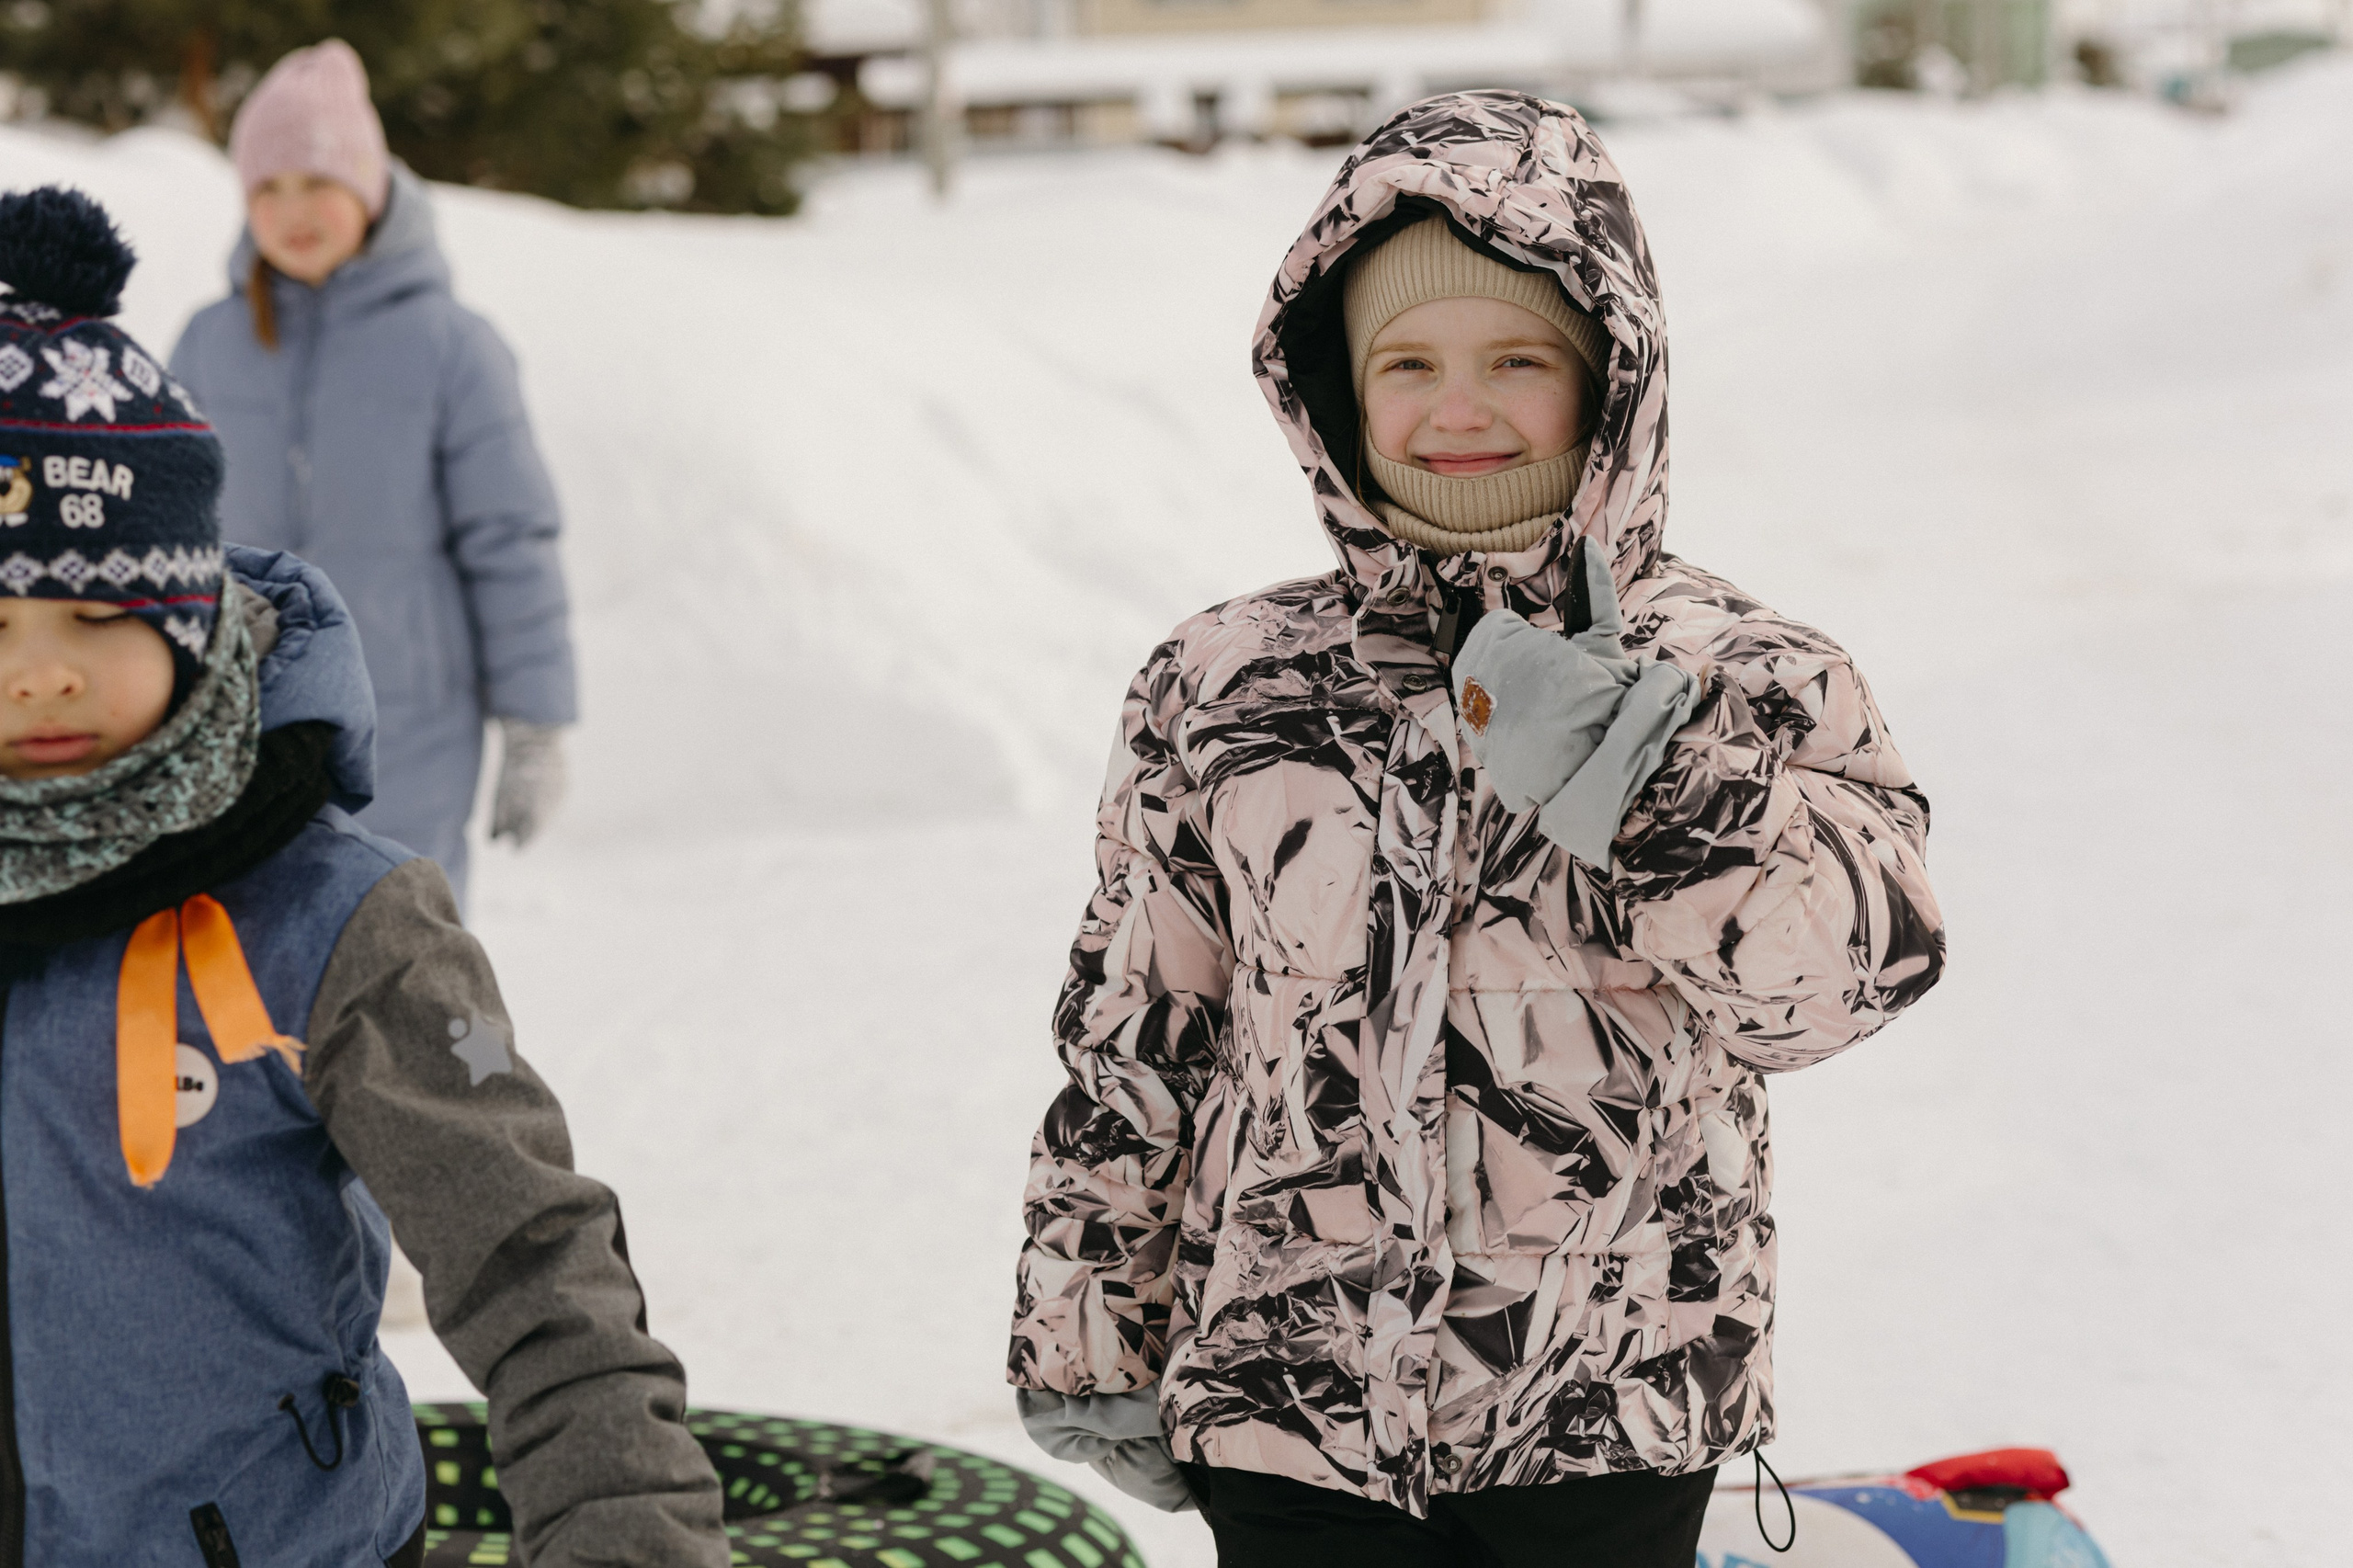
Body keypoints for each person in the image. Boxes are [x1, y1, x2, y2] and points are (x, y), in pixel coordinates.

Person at [1007, 92, 1948, 1566]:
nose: (1458, 409)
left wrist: (1656, 776)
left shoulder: (1745, 673)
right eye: (1409, 362)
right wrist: (1089, 1317)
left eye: (1517, 359)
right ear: (1333, 389)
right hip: (1289, 1397)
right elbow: (1141, 1019)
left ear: (1610, 378)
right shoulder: (1229, 679)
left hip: (1605, 1402)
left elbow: (1839, 985)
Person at [0, 188, 722, 1567]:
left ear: (187, 608)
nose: (40, 665)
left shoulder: (333, 921)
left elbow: (531, 1251)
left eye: (97, 612)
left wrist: (624, 1527)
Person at [171, 39, 574, 910]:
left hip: (411, 724)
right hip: (245, 713)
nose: (294, 210)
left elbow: (509, 539)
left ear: (372, 185)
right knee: (253, 972)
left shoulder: (451, 347)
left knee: (400, 955)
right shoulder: (209, 342)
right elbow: (160, 531)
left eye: (318, 181)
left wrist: (535, 726)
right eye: (267, 188)